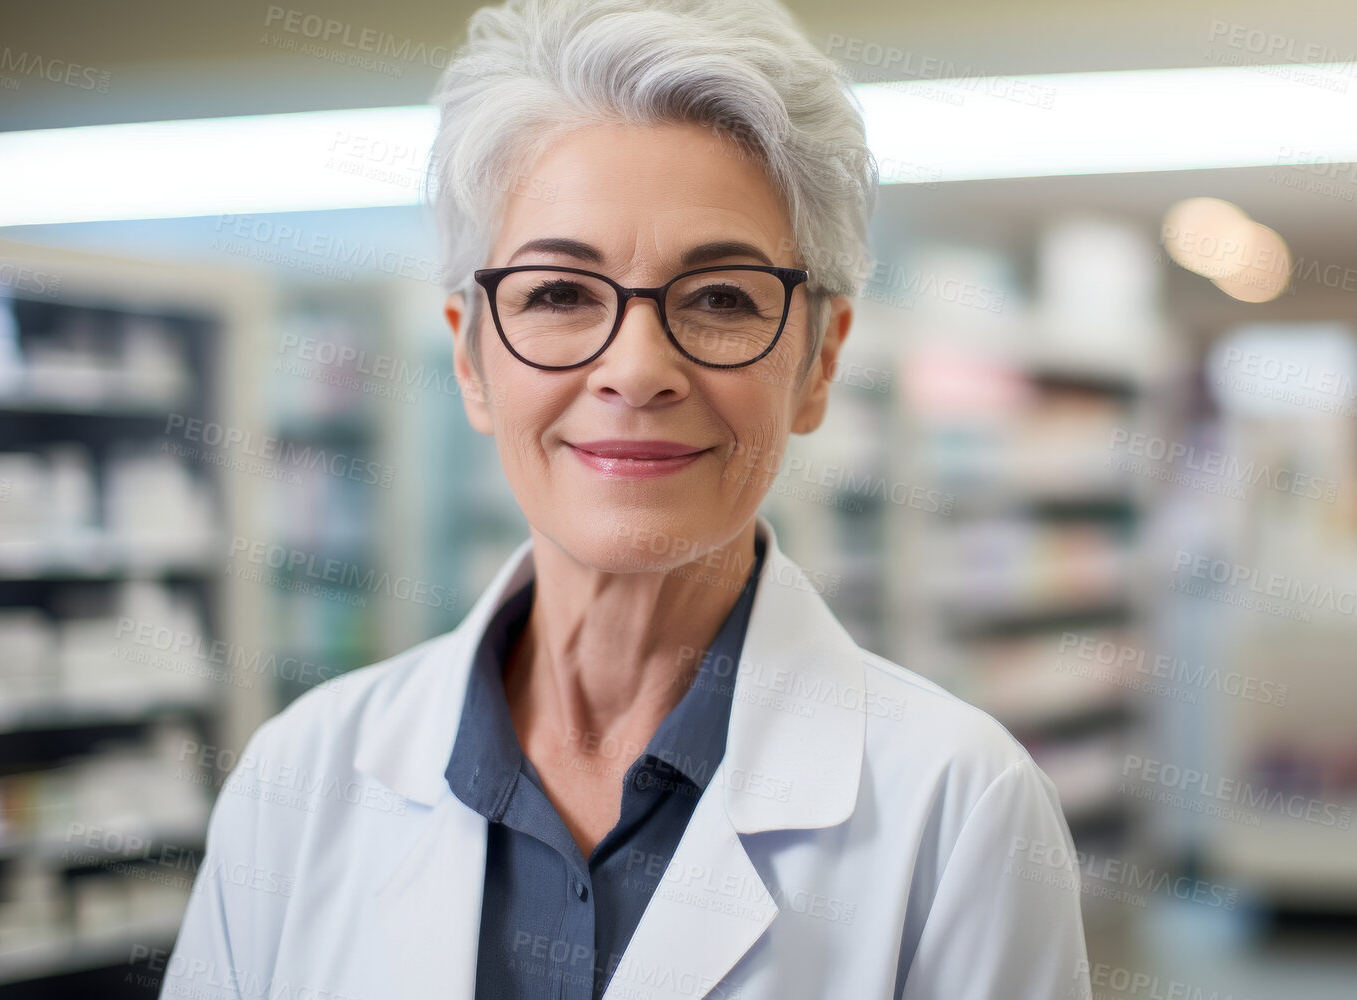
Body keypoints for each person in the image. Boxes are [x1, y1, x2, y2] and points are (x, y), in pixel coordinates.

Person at [162, 1, 1091, 997]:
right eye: (559, 293)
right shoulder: (300, 775)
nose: (636, 369)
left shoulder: (958, 807)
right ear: (471, 358)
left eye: (722, 297)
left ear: (818, 362)